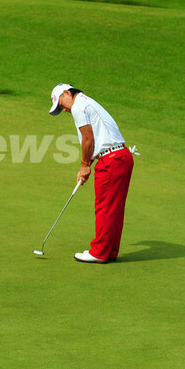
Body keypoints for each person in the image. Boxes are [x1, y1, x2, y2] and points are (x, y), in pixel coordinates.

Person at [49, 83, 134, 263]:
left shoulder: (79, 106)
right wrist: (88, 164)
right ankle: (110, 250)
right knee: (114, 209)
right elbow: (98, 138)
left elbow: (88, 139)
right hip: (121, 157)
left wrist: (84, 165)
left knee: (104, 207)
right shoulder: (87, 103)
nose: (63, 109)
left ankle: (99, 252)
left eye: (61, 104)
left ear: (67, 93)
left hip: (111, 161)